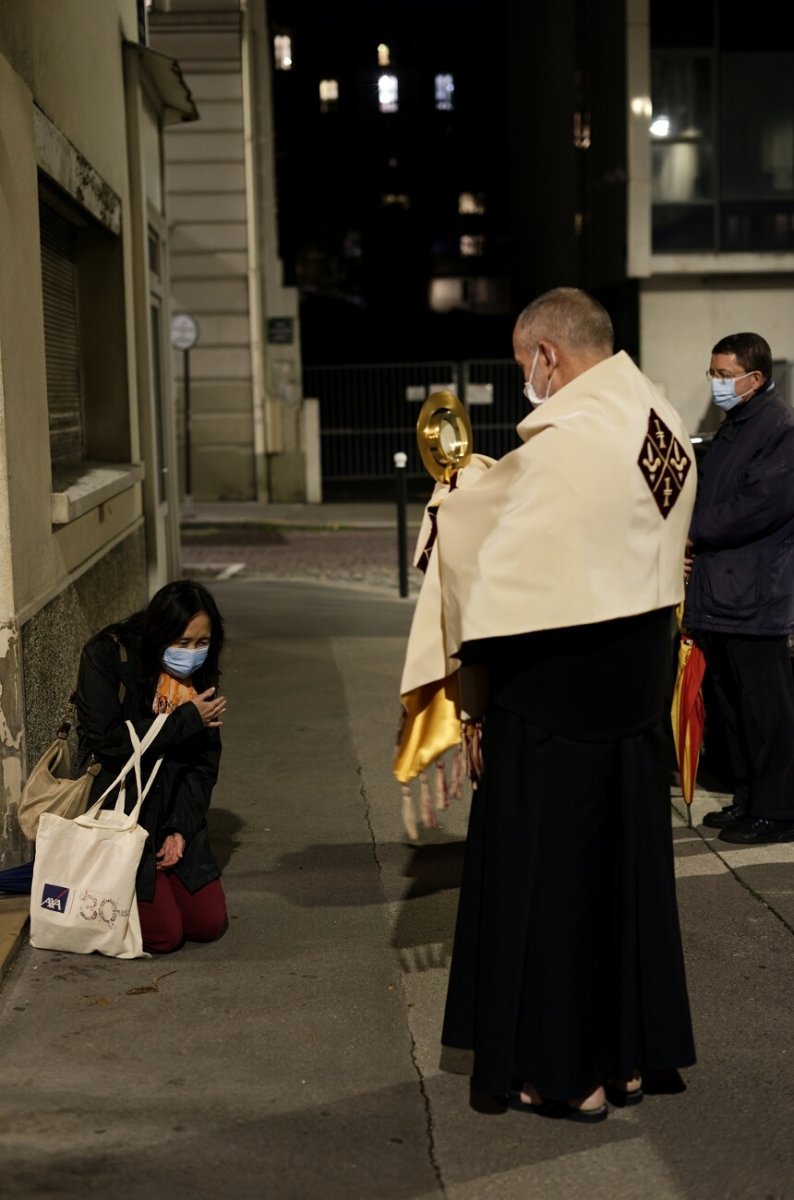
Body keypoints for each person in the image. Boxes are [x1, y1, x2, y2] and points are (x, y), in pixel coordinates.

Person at [401, 288, 697, 1121]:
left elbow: (495, 574)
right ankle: (630, 1057)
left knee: (551, 892)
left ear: (547, 357)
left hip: (554, 708)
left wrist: (474, 706)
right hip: (635, 699)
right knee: (623, 885)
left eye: (522, 363)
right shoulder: (658, 421)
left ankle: (567, 1075)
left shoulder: (569, 446)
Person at [75, 579, 229, 954]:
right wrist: (186, 719)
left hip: (172, 806)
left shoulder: (199, 674)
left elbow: (202, 766)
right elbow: (109, 743)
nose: (192, 654)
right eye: (181, 642)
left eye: (202, 643)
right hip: (121, 809)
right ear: (157, 634)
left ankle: (154, 881)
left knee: (208, 924)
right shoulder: (107, 655)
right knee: (165, 936)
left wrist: (180, 828)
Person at [684, 333, 794, 844]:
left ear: (754, 376)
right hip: (722, 593)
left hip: (757, 595)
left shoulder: (779, 427)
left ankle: (779, 810)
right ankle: (747, 798)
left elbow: (757, 505)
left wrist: (694, 531)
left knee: (767, 710)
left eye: (724, 375)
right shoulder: (735, 425)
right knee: (733, 708)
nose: (717, 384)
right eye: (713, 374)